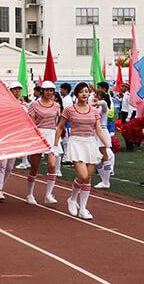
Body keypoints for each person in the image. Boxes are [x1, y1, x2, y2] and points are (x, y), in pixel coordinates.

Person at [54, 82, 110, 220]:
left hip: (90, 143)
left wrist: (106, 144)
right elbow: (60, 127)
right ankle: (72, 199)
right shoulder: (69, 110)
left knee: (88, 178)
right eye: (81, 92)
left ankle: (83, 208)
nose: (84, 94)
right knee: (82, 176)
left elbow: (98, 128)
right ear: (76, 94)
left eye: (86, 91)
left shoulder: (94, 111)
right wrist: (55, 144)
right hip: (76, 142)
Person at [25, 80, 62, 205]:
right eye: (47, 90)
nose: (49, 93)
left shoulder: (57, 106)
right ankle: (29, 194)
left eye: (51, 90)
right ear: (42, 91)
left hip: (51, 134)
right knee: (34, 167)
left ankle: (48, 194)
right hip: (38, 134)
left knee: (52, 165)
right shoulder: (34, 105)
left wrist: (57, 140)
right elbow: (32, 122)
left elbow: (57, 123)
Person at [0, 81, 26, 202]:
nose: (17, 91)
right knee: (2, 163)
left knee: (10, 166)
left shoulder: (24, 105)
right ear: (9, 90)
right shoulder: (3, 104)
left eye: (19, 89)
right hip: (3, 137)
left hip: (15, 138)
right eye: (14, 89)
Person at [90, 82, 114, 189]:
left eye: (97, 96)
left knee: (104, 155)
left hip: (102, 131)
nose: (95, 98)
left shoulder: (103, 107)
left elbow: (104, 104)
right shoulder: (95, 108)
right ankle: (103, 180)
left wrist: (95, 103)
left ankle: (106, 181)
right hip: (95, 132)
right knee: (96, 157)